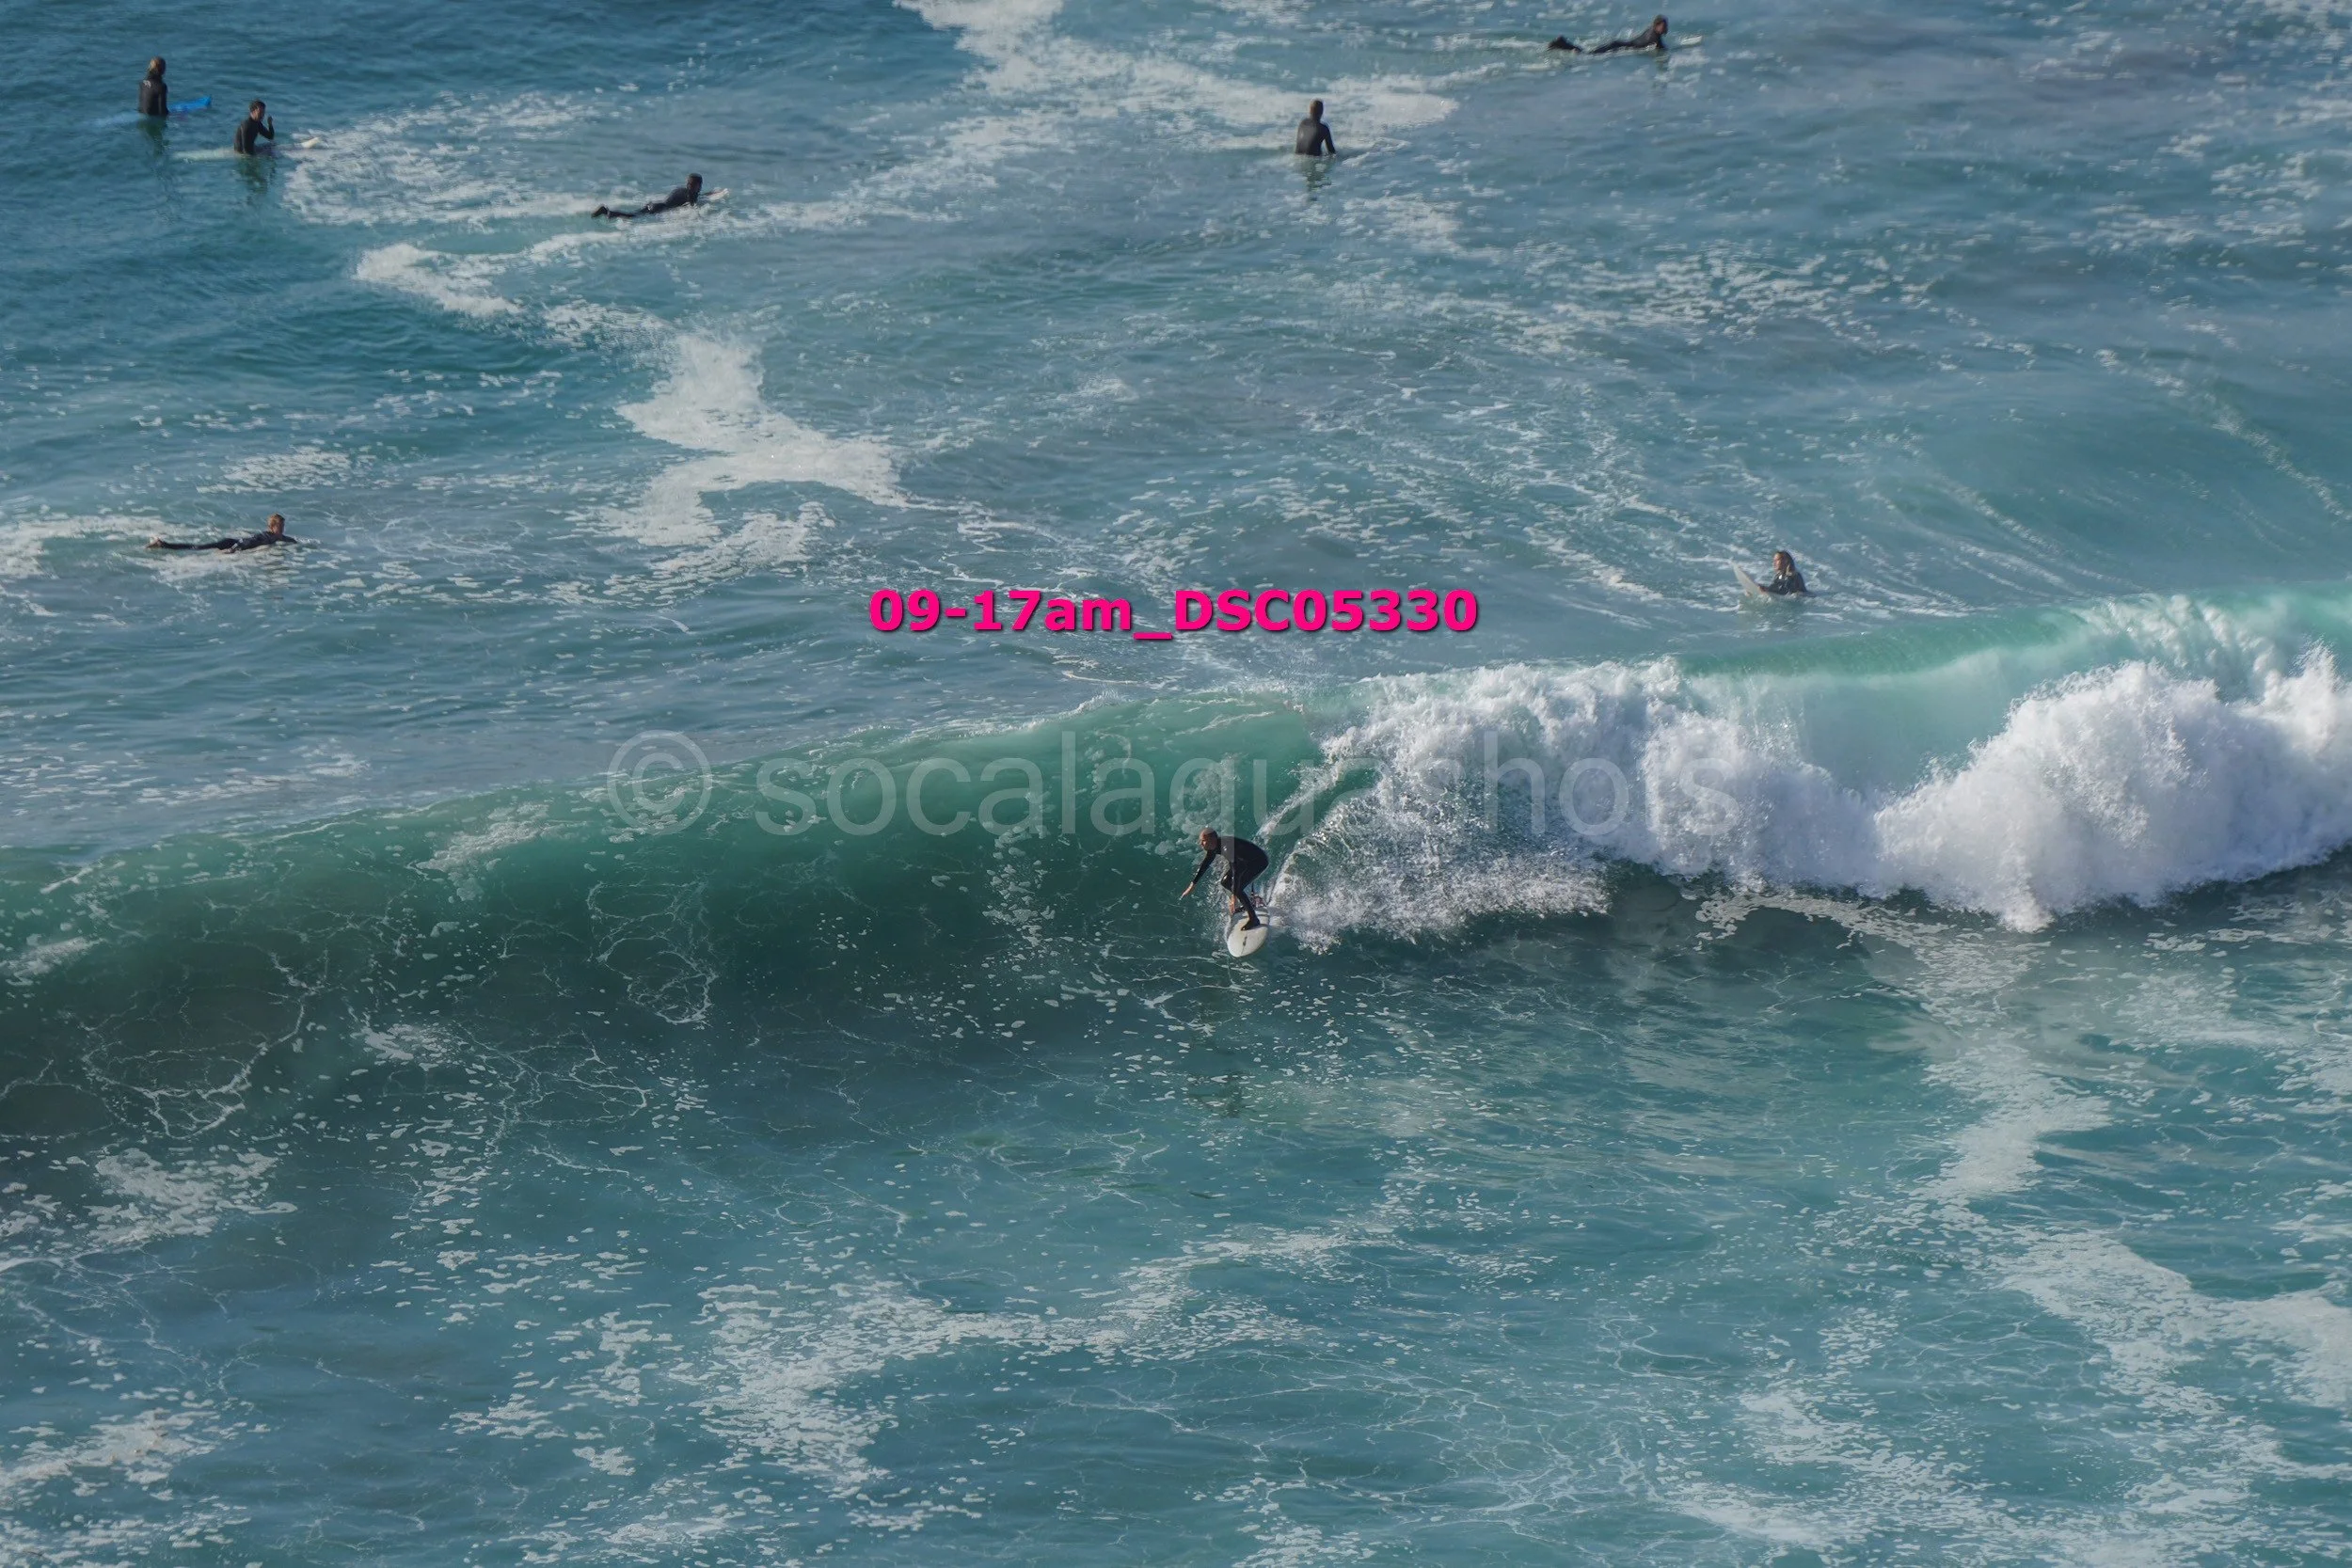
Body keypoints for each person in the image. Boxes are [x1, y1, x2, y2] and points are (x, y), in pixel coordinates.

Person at [1182, 828, 1270, 930]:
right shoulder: (1214, 847)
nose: (1201, 843)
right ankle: (1250, 903)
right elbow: (1206, 863)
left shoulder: (1227, 848)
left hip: (1258, 861)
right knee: (1225, 882)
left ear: (1212, 840)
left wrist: (1234, 896)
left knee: (1237, 889)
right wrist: (1193, 884)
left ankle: (1254, 919)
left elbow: (1236, 871)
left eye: (1203, 841)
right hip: (1243, 862)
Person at [147, 514, 300, 553]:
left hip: (233, 542)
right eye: (280, 526)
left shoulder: (278, 537)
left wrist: (295, 542)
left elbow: (287, 539)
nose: (282, 529)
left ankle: (162, 544)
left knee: (198, 547)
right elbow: (249, 542)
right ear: (272, 527)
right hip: (231, 543)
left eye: (283, 526)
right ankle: (162, 545)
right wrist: (232, 550)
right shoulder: (266, 536)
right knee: (196, 548)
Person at [594, 174, 704, 220]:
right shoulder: (691, 194)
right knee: (632, 217)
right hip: (659, 208)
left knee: (633, 214)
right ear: (697, 185)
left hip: (655, 204)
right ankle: (609, 212)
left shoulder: (681, 189)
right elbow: (692, 207)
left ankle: (606, 211)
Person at [1588, 15, 1669, 54]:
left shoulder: (1651, 29)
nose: (1665, 28)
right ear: (1657, 26)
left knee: (1593, 52)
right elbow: (1662, 49)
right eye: (1664, 26)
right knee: (1592, 54)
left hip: (1621, 43)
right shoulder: (1655, 38)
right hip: (1624, 47)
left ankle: (1580, 51)